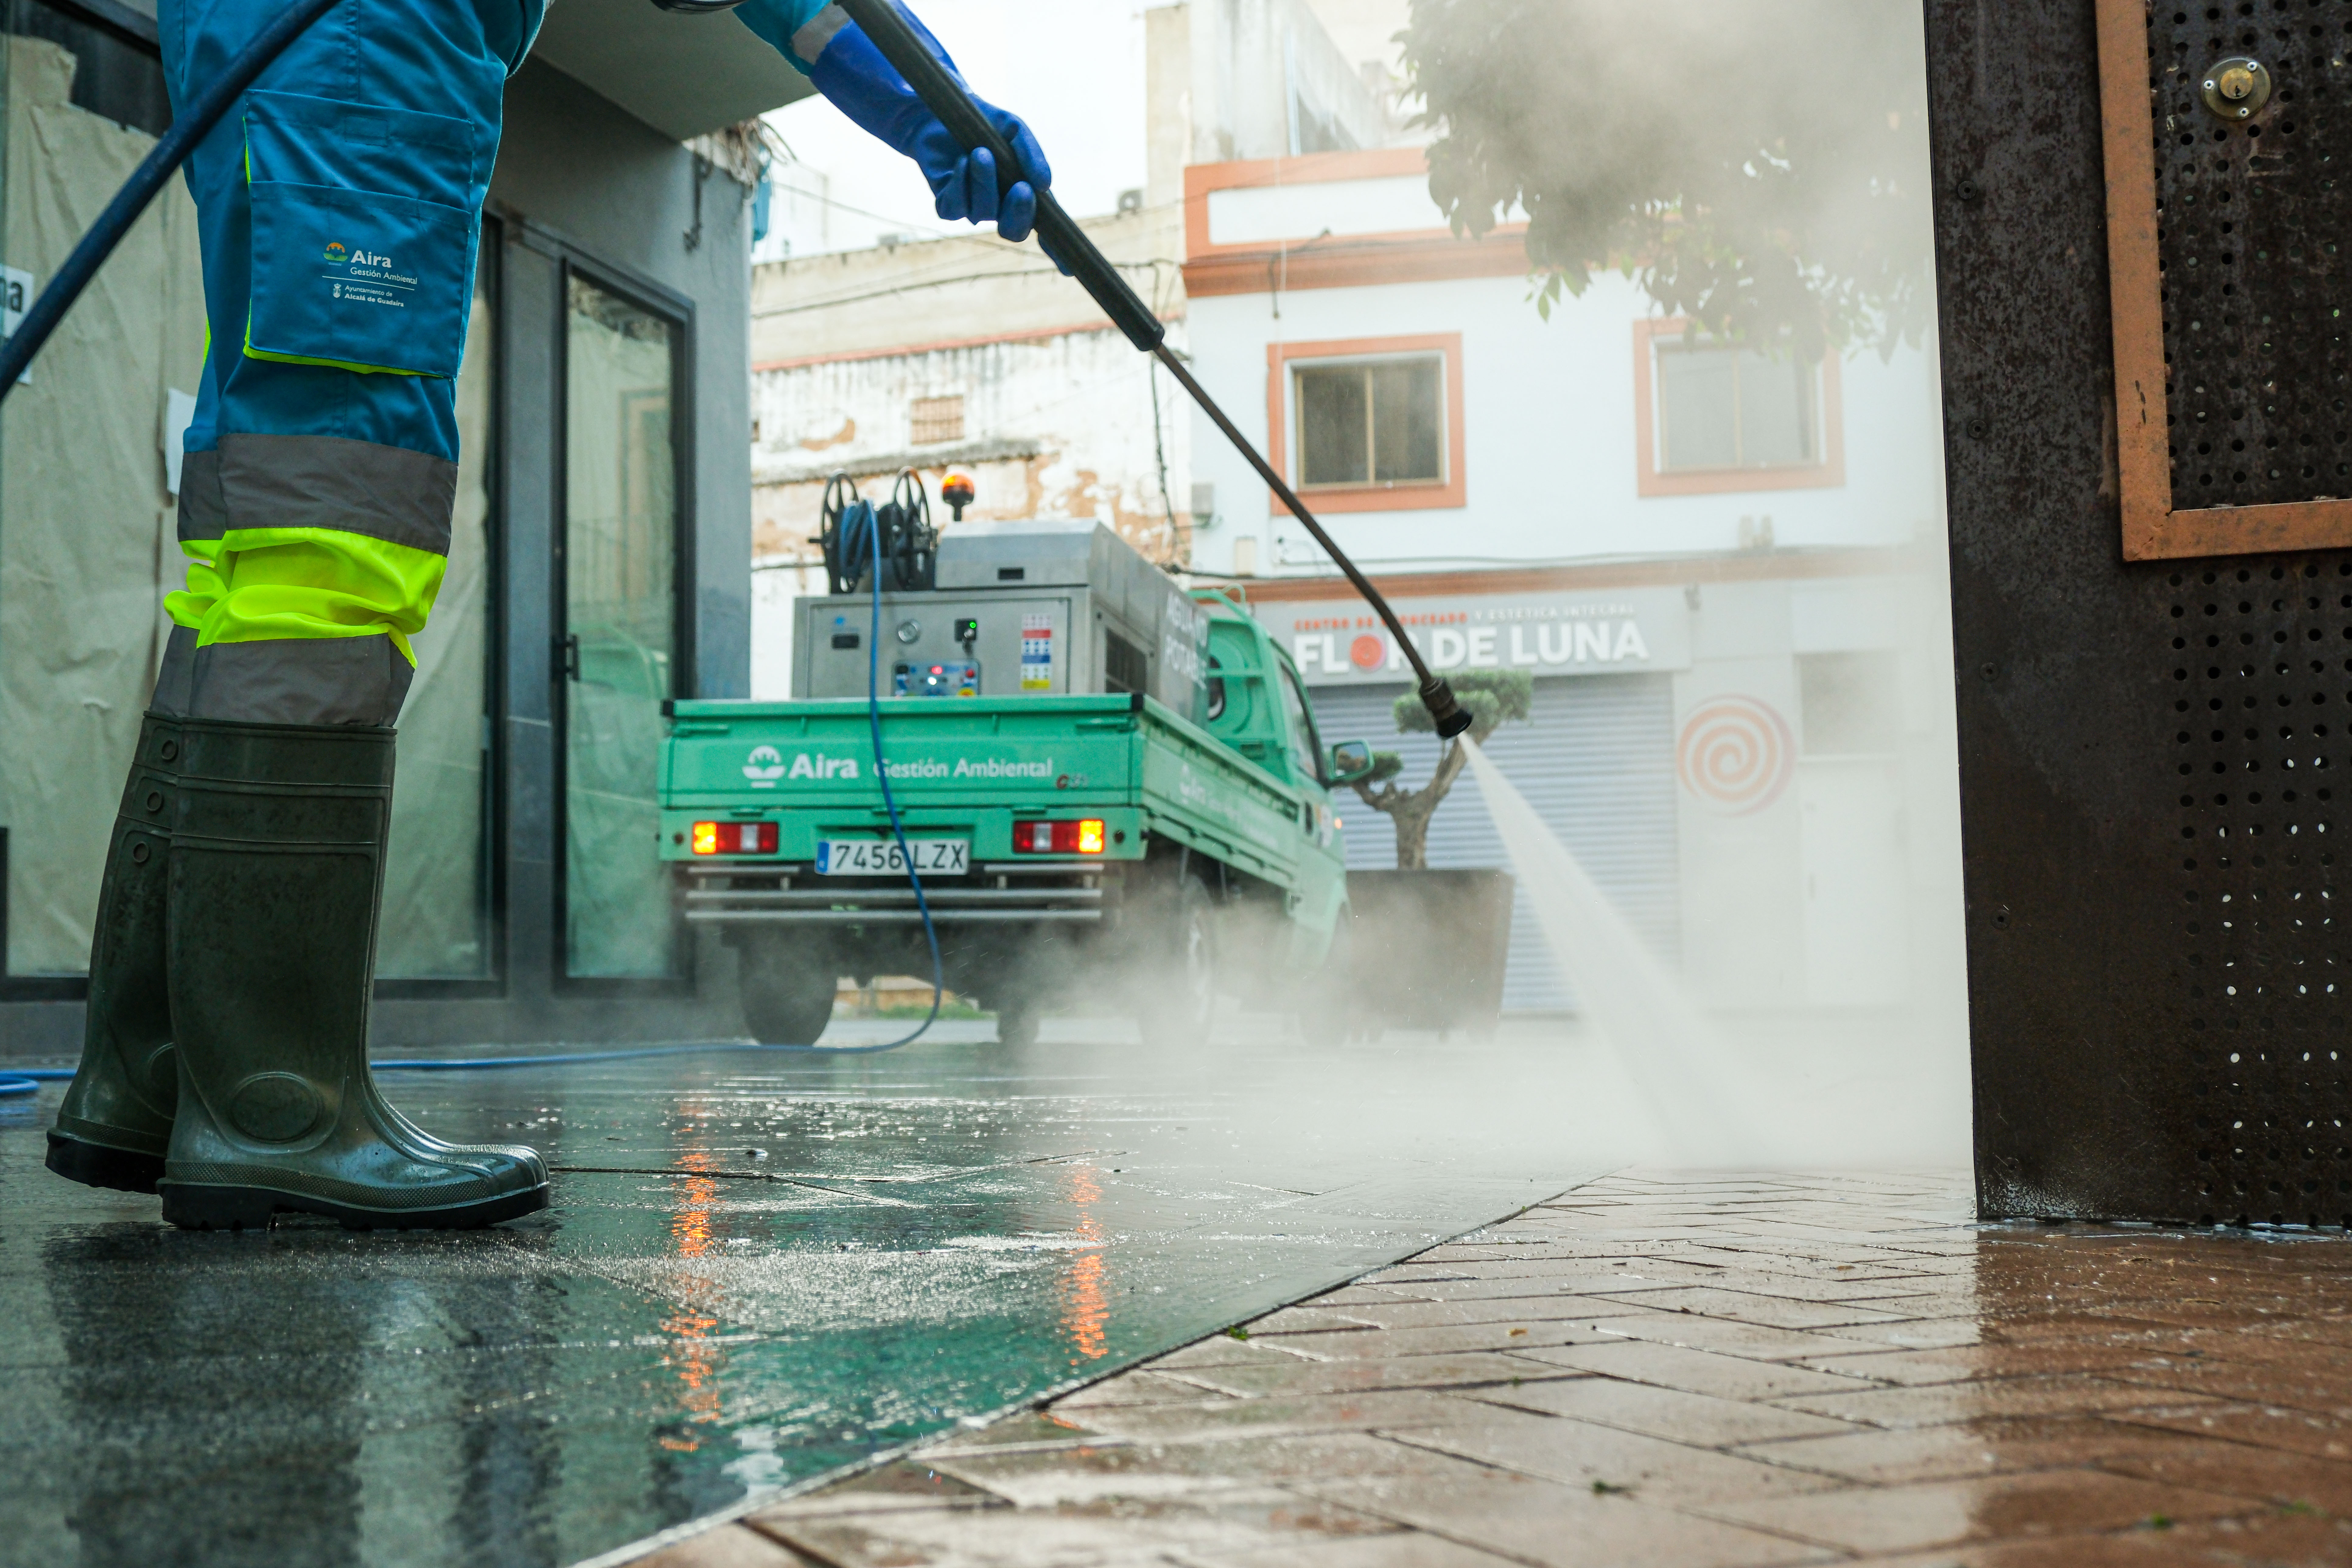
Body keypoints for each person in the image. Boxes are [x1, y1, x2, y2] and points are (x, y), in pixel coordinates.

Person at [43, 0, 1052, 1230]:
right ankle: (276, 1105)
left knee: (256, 542)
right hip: (367, 53)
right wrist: (926, 97)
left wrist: (922, 96)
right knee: (338, 527)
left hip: (297, 49)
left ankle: (153, 1072)